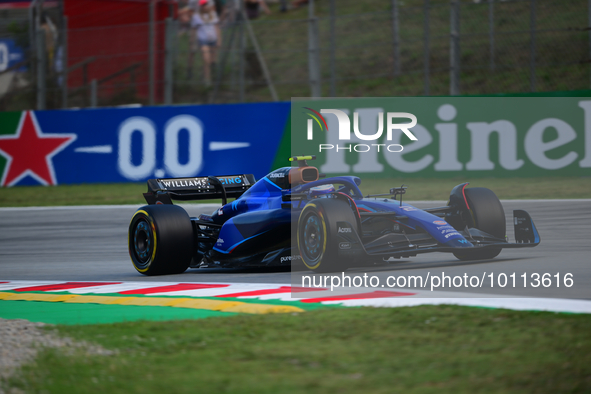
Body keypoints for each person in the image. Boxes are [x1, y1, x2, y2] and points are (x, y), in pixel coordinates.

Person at [191, 0, 221, 86]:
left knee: (212, 61)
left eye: (206, 4)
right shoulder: (196, 16)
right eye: (203, 5)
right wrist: (192, 43)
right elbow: (194, 30)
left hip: (213, 39)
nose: (205, 6)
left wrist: (219, 40)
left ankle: (212, 77)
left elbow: (217, 28)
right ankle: (207, 79)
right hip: (203, 40)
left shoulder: (213, 14)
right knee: (206, 59)